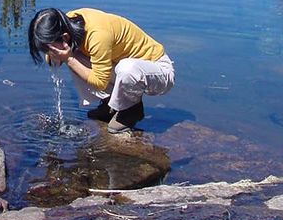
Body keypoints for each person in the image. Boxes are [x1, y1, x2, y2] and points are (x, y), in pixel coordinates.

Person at [28, 7, 174, 134]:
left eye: (49, 48)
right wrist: (56, 57)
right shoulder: (66, 23)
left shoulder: (97, 35)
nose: (48, 52)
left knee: (125, 68)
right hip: (121, 65)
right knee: (74, 57)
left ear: (64, 38)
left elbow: (100, 83)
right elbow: (56, 59)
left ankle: (131, 109)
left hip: (158, 71)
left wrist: (69, 59)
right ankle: (110, 104)